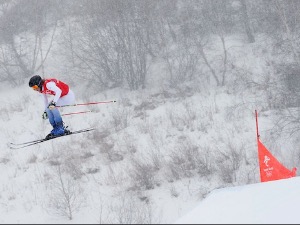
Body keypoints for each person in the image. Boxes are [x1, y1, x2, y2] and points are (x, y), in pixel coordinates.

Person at [28, 75, 75, 139]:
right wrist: (46, 111)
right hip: (62, 97)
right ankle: (56, 128)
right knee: (49, 108)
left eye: (35, 87)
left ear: (39, 83)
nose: (35, 89)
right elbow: (45, 101)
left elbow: (59, 91)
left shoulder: (48, 84)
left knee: (52, 107)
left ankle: (60, 128)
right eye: (33, 88)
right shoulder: (42, 89)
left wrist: (54, 103)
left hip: (68, 96)